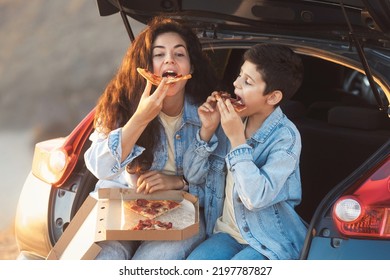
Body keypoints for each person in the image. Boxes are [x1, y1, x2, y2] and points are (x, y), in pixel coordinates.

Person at [84, 15, 219, 260]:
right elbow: (100, 168)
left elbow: (220, 187)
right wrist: (140, 118)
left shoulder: (208, 115)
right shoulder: (120, 106)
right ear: (146, 66)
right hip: (122, 209)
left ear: (191, 67)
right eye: (159, 55)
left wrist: (180, 183)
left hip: (182, 212)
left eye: (179, 54)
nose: (170, 59)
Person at [184, 43, 308, 260]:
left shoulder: (286, 137)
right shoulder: (232, 119)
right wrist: (208, 129)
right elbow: (192, 175)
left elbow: (255, 198)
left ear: (272, 97)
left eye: (247, 82)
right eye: (240, 75)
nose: (235, 84)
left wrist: (237, 140)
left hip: (269, 240)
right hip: (225, 233)